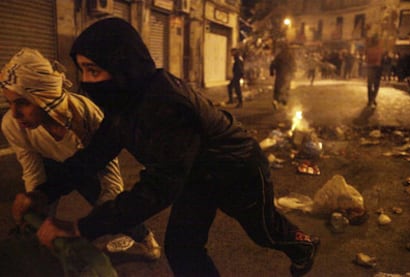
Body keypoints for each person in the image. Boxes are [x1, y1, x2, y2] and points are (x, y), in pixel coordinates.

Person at [12, 18, 319, 276]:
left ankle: (303, 246)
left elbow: (158, 189)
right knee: (183, 247)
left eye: (94, 70)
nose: (85, 82)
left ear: (124, 66)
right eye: (82, 71)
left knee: (264, 232)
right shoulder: (125, 101)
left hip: (236, 170)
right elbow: (94, 155)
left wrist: (81, 227)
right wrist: (43, 192)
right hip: (196, 175)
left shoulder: (165, 105)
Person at [0, 48, 160, 260]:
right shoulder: (13, 124)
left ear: (43, 97)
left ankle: (146, 240)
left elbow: (106, 166)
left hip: (84, 166)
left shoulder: (85, 114)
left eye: (23, 102)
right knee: (35, 213)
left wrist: (97, 221)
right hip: (51, 163)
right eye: (9, 102)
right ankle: (45, 258)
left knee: (107, 205)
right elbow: (31, 168)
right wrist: (34, 198)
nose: (14, 113)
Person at [269, 42, 296, 110]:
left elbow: (273, 64)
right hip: (287, 75)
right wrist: (293, 73)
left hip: (279, 75)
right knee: (286, 88)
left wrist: (272, 72)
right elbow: (293, 65)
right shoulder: (290, 55)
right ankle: (284, 102)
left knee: (278, 88)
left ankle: (276, 100)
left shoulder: (279, 55)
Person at [365, 35, 383, 108]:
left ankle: (370, 99)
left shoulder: (368, 49)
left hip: (369, 67)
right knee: (376, 85)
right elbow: (380, 59)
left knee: (369, 85)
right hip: (377, 68)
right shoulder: (379, 49)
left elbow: (366, 58)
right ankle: (373, 98)